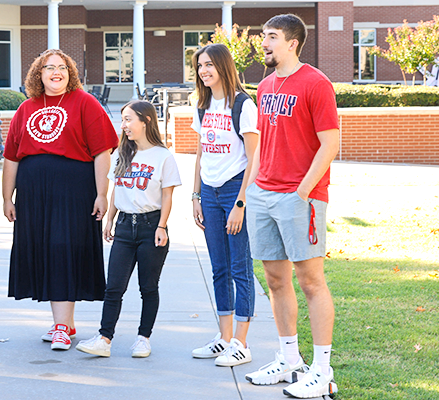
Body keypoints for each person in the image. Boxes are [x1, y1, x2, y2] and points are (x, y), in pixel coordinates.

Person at [244, 14, 340, 399]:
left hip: (300, 196)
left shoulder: (316, 83)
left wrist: (302, 190)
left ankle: (321, 369)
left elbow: (329, 143)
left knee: (311, 281)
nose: (263, 43)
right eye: (263, 37)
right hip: (264, 193)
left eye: (271, 37)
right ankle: (289, 360)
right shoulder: (265, 86)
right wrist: (252, 189)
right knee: (276, 280)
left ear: (293, 42)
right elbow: (265, 143)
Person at [3, 49, 118, 351]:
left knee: (63, 250)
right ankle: (64, 322)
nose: (56, 72)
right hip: (34, 195)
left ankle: (60, 327)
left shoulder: (85, 103)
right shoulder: (27, 108)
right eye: (49, 67)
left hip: (74, 191)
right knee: (48, 251)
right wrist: (7, 197)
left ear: (70, 72)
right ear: (38, 75)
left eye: (62, 67)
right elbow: (12, 157)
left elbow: (102, 152)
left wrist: (102, 194)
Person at [75, 100, 181, 358]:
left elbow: (167, 196)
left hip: (150, 226)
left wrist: (162, 226)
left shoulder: (162, 156)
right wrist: (110, 219)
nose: (124, 125)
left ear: (145, 121)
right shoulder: (121, 154)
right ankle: (104, 338)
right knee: (114, 287)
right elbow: (115, 191)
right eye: (122, 120)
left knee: (148, 287)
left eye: (128, 119)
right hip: (124, 225)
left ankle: (144, 338)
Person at [188, 43, 259, 367]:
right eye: (199, 65)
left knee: (240, 269)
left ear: (223, 66)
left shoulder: (243, 104)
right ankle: (224, 338)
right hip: (210, 192)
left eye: (208, 64)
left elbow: (254, 158)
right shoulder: (202, 105)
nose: (203, 70)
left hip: (234, 191)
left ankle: (241, 343)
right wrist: (196, 195)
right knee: (219, 269)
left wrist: (240, 203)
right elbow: (202, 153)